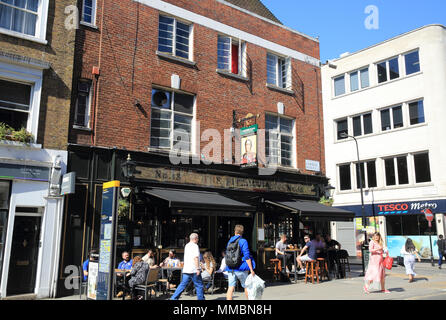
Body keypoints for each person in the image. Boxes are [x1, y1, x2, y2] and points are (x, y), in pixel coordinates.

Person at [225, 224, 256, 300]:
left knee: (230, 288)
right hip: (241, 267)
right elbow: (247, 256)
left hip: (230, 267)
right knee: (246, 286)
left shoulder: (230, 241)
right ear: (242, 232)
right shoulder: (243, 241)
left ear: (235, 231)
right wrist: (251, 269)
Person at [170, 233, 205, 300]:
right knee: (199, 285)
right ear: (195, 239)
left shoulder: (187, 245)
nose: (198, 240)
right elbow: (196, 258)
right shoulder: (195, 246)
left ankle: (174, 298)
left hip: (187, 269)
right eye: (197, 238)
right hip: (194, 269)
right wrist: (198, 268)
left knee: (182, 285)